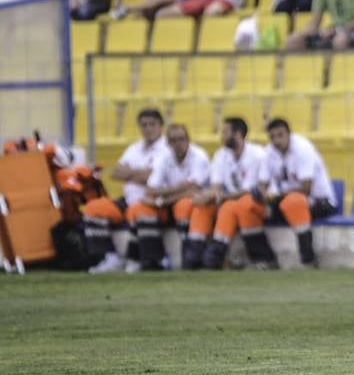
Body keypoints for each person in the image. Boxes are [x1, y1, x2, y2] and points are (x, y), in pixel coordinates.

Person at [84, 108, 170, 274]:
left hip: (151, 202)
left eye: (152, 124)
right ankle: (111, 257)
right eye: (144, 125)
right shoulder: (134, 148)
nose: (148, 128)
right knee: (93, 209)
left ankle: (139, 258)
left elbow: (152, 177)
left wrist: (130, 174)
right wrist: (141, 173)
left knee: (137, 211)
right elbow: (116, 172)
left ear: (161, 126)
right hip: (128, 200)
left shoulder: (166, 149)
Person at [122, 123, 211, 273]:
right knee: (139, 208)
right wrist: (175, 191)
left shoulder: (199, 156)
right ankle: (149, 260)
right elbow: (151, 189)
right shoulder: (164, 158)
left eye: (182, 139)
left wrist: (162, 199)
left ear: (188, 139)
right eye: (174, 140)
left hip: (193, 205)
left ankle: (188, 259)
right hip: (168, 204)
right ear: (168, 143)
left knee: (184, 204)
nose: (179, 144)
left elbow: (194, 188)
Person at [197, 116, 274, 270]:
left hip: (263, 204)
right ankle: (215, 257)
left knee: (243, 203)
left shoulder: (258, 154)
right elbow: (216, 186)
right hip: (236, 203)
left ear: (238, 133)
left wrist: (221, 196)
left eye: (225, 132)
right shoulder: (221, 155)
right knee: (229, 206)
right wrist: (205, 195)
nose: (221, 136)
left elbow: (257, 189)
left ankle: (264, 259)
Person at [264, 118, 338, 267]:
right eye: (272, 137)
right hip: (287, 200)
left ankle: (308, 260)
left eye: (280, 135)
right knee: (255, 207)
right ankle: (264, 259)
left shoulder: (303, 149)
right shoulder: (270, 152)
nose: (277, 140)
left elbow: (306, 188)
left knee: (294, 202)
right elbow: (265, 181)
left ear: (289, 134)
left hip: (320, 201)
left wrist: (277, 195)